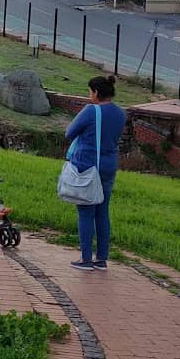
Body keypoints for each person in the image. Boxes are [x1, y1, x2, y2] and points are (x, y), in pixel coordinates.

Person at [65, 75, 127, 271]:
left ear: (96, 92)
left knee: (85, 211)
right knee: (102, 212)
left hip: (88, 166)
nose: (89, 95)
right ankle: (101, 258)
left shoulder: (91, 111)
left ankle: (85, 259)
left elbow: (69, 133)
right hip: (109, 165)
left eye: (90, 91)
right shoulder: (120, 113)